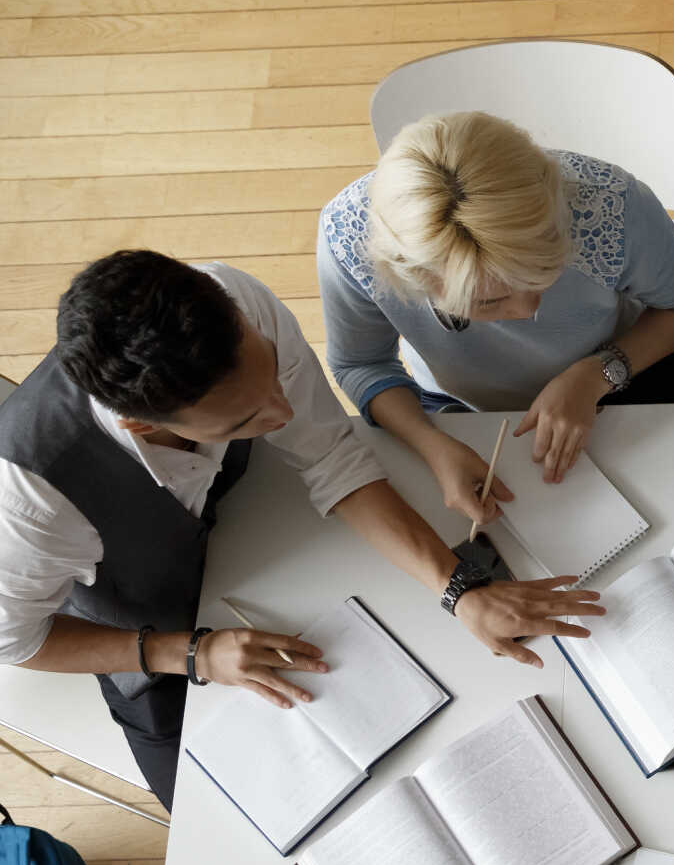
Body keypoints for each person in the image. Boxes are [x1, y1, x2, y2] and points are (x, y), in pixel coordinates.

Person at [0, 251, 603, 810]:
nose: (283, 416)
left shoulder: (232, 295)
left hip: (249, 512)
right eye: (245, 417)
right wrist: (190, 652)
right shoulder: (31, 501)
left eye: (272, 375)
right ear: (139, 425)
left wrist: (461, 589)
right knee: (232, 816)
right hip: (149, 621)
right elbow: (15, 642)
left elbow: (328, 454)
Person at [318, 110, 674, 509]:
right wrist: (431, 445)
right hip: (456, 405)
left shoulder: (609, 206)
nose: (528, 310)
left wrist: (596, 374)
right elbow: (361, 365)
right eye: (487, 301)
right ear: (414, 279)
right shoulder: (350, 244)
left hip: (630, 366)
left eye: (545, 269)